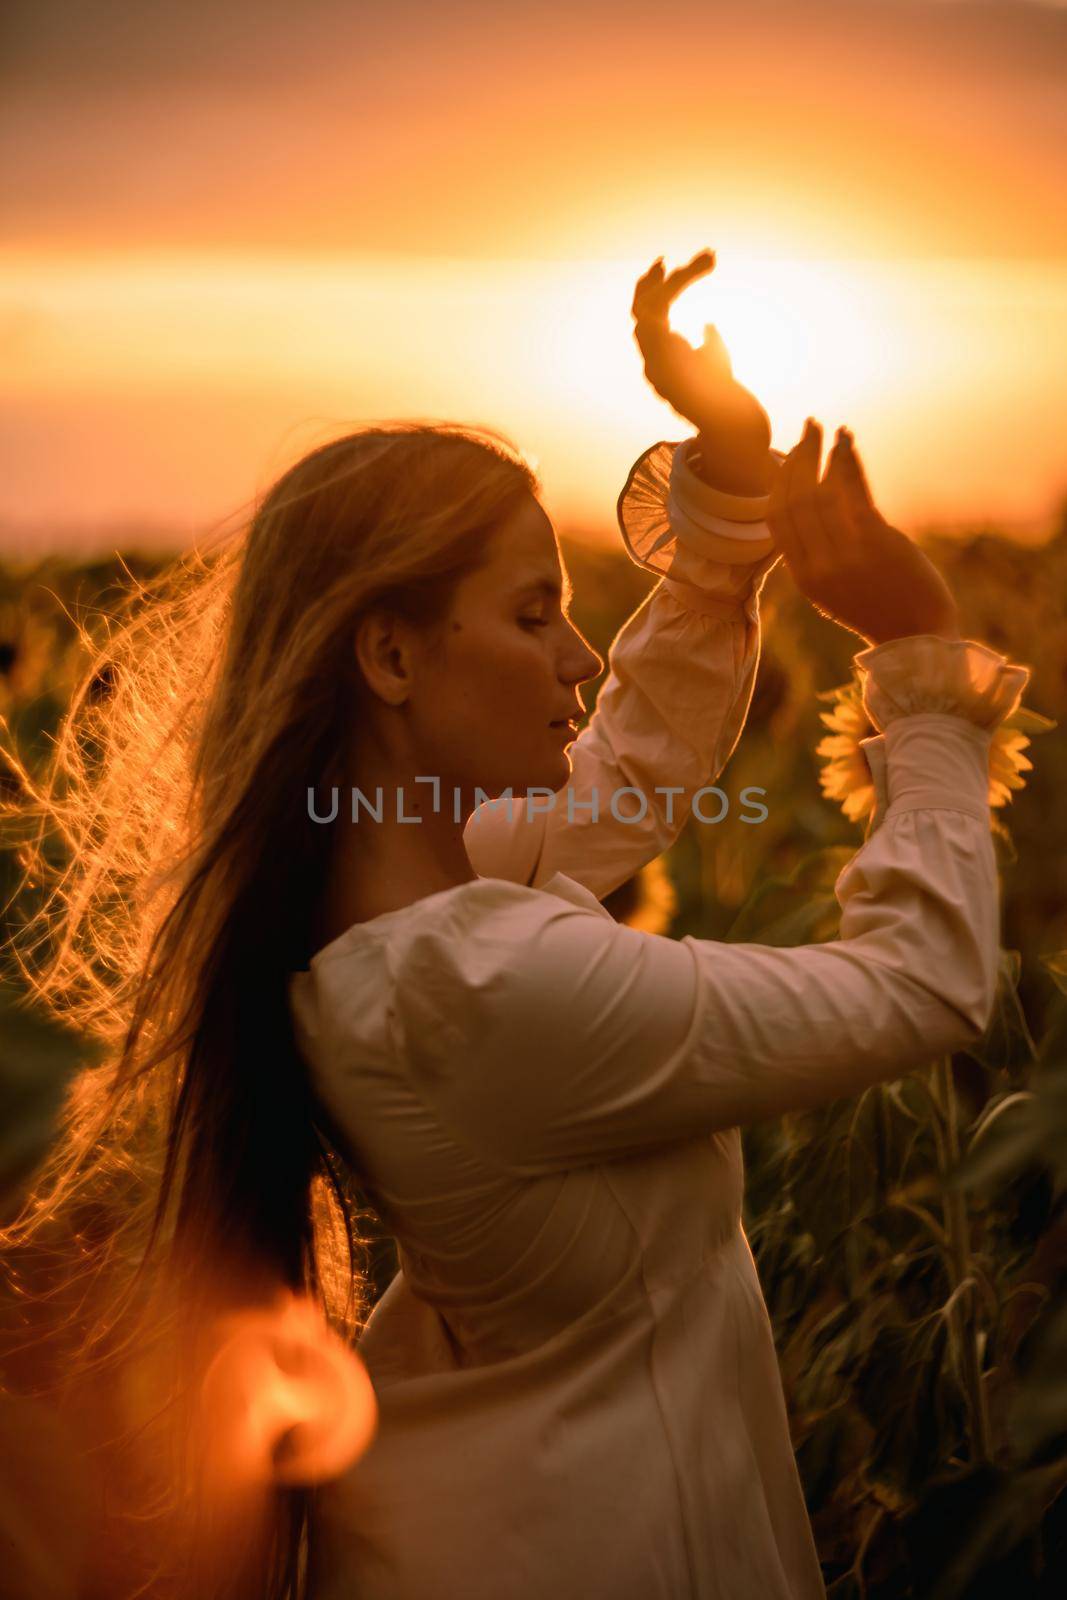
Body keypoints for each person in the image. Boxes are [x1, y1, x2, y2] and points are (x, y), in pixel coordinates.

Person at [0, 250, 1029, 1600]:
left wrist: (723, 486)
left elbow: (634, 764)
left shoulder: (403, 911)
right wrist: (926, 664)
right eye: (534, 616)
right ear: (391, 657)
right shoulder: (485, 987)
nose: (581, 658)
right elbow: (921, 985)